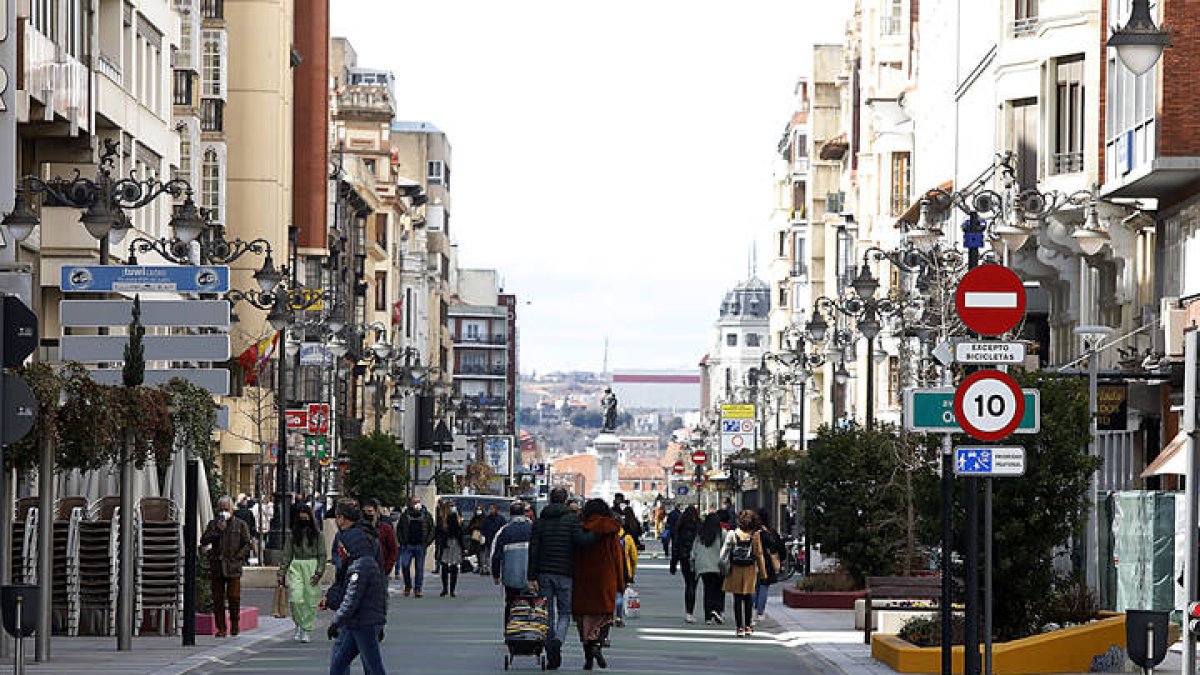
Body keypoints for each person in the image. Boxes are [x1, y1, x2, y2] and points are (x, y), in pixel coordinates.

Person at [528, 488, 596, 670]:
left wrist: (531, 576)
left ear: (550, 500)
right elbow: (582, 541)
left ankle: (551, 650)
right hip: (565, 572)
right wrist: (595, 532)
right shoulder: (572, 520)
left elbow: (533, 550)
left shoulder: (540, 522)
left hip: (543, 573)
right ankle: (558, 640)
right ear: (565, 501)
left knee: (547, 613)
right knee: (565, 612)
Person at [327, 513, 389, 675]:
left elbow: (351, 599)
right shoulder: (364, 563)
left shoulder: (359, 568)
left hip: (364, 622)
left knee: (373, 666)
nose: (341, 550)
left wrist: (336, 622)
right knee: (339, 663)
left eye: (344, 547)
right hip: (359, 621)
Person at [572, 499, 623, 670]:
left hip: (583, 580)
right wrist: (621, 583)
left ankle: (588, 658)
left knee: (584, 621)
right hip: (605, 579)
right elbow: (618, 558)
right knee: (603, 618)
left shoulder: (581, 528)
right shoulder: (611, 531)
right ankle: (597, 645)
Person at [200, 495, 252, 637]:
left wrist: (238, 557)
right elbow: (204, 540)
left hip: (233, 566)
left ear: (232, 509)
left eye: (226, 509)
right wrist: (218, 530)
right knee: (218, 598)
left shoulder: (240, 525)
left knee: (234, 596)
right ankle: (221, 628)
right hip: (217, 566)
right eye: (221, 509)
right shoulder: (213, 524)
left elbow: (247, 544)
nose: (224, 512)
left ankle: (235, 623)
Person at [279, 503, 326, 643]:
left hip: (312, 566)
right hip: (297, 565)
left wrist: (319, 572)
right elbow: (287, 555)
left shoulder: (318, 535)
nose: (304, 518)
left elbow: (322, 555)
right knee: (295, 597)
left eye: (306, 515)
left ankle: (305, 629)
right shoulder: (292, 534)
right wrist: (281, 572)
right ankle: (299, 624)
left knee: (310, 600)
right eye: (301, 516)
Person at [721, 510, 768, 637]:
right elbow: (759, 555)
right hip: (750, 569)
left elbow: (723, 554)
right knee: (748, 598)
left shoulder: (732, 534)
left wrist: (723, 568)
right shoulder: (755, 535)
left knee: (737, 599)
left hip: (735, 569)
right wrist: (763, 573)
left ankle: (739, 627)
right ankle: (748, 626)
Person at [492, 501, 533, 619]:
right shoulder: (532, 529)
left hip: (510, 577)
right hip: (529, 575)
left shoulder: (505, 531)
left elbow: (497, 555)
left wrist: (496, 574)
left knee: (510, 603)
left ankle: (509, 630)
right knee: (530, 603)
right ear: (523, 513)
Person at [690, 512, 727, 625]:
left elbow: (694, 551)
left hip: (703, 566)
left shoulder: (700, 533)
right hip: (717, 565)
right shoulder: (721, 533)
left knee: (708, 590)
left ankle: (708, 617)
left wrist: (693, 565)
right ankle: (717, 610)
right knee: (719, 590)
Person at [397, 495, 435, 597]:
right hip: (407, 545)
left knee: (419, 568)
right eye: (414, 502)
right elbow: (399, 529)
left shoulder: (426, 515)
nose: (416, 504)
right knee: (405, 566)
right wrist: (402, 541)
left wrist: (427, 542)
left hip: (420, 545)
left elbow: (432, 529)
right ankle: (408, 585)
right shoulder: (405, 515)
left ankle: (418, 589)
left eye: (418, 502)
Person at [753, 507, 786, 624]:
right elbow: (781, 548)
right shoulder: (771, 532)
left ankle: (753, 609)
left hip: (753, 562)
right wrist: (780, 559)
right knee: (763, 587)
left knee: (754, 587)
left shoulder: (752, 531)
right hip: (767, 563)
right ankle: (760, 612)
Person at [669, 506, 701, 623]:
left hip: (684, 558)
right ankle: (691, 611)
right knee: (694, 584)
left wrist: (673, 563)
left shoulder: (680, 527)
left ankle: (689, 612)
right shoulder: (699, 526)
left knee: (688, 584)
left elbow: (676, 546)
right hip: (696, 558)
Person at [362, 498, 398, 582]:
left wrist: (387, 569)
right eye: (365, 512)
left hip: (381, 570)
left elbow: (393, 549)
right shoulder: (359, 528)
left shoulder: (385, 528)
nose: (367, 514)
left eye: (370, 511)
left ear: (376, 512)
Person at [612, 512, 638, 628]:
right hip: (623, 570)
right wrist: (632, 572)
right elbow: (634, 557)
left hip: (608, 569)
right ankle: (618, 616)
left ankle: (607, 617)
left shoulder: (605, 536)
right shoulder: (627, 538)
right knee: (619, 594)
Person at [435, 500, 466, 597]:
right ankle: (447, 589)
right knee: (447, 566)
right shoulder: (443, 518)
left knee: (452, 566)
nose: (453, 508)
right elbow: (440, 532)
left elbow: (460, 532)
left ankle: (450, 590)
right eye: (451, 506)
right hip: (447, 543)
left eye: (454, 506)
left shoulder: (456, 517)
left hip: (454, 543)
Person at [479, 504, 506, 575]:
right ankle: (486, 568)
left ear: (496, 509)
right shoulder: (486, 519)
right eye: (490, 509)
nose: (491, 510)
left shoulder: (500, 519)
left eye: (492, 508)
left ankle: (495, 569)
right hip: (488, 540)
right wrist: (482, 537)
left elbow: (503, 529)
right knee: (486, 555)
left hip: (497, 541)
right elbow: (483, 529)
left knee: (496, 555)